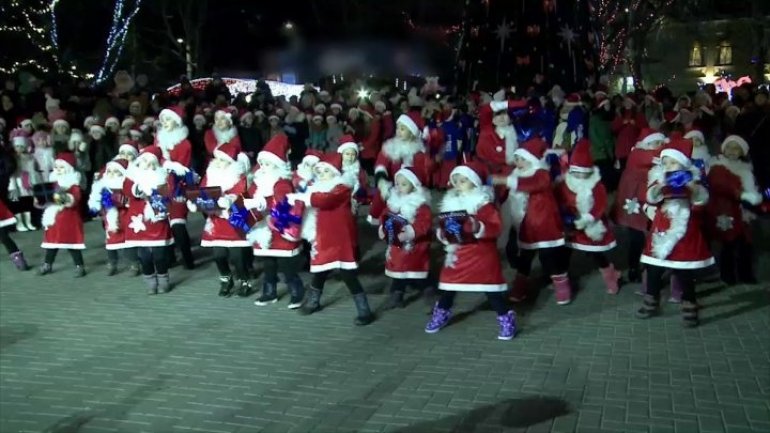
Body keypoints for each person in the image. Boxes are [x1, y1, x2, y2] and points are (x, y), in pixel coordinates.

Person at [427, 161, 516, 340]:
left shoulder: (483, 203)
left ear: (475, 183)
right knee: (449, 287)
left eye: (463, 180)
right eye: (456, 180)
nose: (458, 184)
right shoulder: (451, 202)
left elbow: (495, 226)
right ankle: (442, 312)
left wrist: (477, 226)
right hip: (458, 254)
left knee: (492, 290)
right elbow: (445, 226)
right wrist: (443, 234)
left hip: (480, 254)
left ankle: (506, 317)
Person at [288, 153, 375, 326]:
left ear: (334, 172)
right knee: (320, 270)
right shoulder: (316, 188)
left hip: (340, 237)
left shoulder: (342, 187)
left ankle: (364, 309)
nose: (321, 175)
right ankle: (314, 301)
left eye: (325, 171)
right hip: (323, 236)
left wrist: (304, 198)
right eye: (319, 172)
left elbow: (326, 201)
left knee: (347, 273)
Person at [636, 138, 714, 327]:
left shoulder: (693, 178)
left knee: (685, 271)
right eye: (665, 162)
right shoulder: (660, 177)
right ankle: (651, 300)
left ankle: (689, 305)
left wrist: (693, 189)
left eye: (673, 162)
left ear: (684, 163)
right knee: (654, 267)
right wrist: (659, 189)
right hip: (662, 227)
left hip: (685, 229)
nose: (669, 166)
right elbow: (650, 198)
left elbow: (701, 203)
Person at [494, 137, 571, 305]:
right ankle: (520, 286)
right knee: (526, 257)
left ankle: (561, 285)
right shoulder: (515, 174)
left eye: (523, 159)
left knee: (548, 256)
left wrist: (504, 180)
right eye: (517, 159)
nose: (519, 162)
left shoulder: (542, 173)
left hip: (543, 224)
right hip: (525, 225)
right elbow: (507, 195)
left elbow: (533, 184)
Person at [555, 138, 621, 294]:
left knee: (596, 253)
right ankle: (562, 282)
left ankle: (610, 275)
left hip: (590, 224)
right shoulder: (565, 183)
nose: (579, 177)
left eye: (583, 174)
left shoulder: (596, 185)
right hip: (570, 225)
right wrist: (565, 216)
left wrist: (588, 218)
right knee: (564, 253)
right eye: (576, 173)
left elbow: (600, 204)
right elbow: (560, 199)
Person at [246, 134, 305, 308]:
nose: (264, 167)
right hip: (263, 228)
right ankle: (269, 291)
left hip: (280, 229)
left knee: (286, 265)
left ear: (277, 165)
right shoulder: (258, 181)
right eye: (262, 163)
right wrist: (235, 203)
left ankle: (297, 291)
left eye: (268, 164)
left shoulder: (282, 182)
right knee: (268, 263)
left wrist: (264, 203)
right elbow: (248, 196)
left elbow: (284, 202)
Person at [190, 142, 253, 297]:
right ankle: (226, 279)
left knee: (237, 256)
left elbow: (241, 192)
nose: (218, 162)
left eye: (223, 160)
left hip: (234, 219)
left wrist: (229, 199)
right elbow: (202, 192)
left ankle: (244, 280)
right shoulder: (210, 174)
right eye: (217, 158)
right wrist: (195, 202)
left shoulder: (240, 177)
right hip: (216, 220)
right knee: (219, 255)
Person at [376, 156, 432, 309]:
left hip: (414, 246)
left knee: (417, 271)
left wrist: (410, 232)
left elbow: (424, 224)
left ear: (413, 185)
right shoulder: (394, 201)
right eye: (398, 184)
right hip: (396, 245)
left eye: (404, 184)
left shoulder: (420, 204)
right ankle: (396, 296)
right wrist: (383, 227)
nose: (399, 187)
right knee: (398, 271)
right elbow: (385, 215)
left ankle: (429, 295)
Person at [705, 135, 762, 285]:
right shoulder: (718, 166)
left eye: (736, 148)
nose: (732, 151)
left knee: (745, 243)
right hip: (725, 209)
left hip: (743, 211)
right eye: (729, 147)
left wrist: (753, 197)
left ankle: (746, 273)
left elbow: (752, 186)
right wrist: (742, 194)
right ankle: (727, 274)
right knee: (728, 243)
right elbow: (720, 185)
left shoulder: (746, 168)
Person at [613, 128, 666, 283]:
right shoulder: (637, 153)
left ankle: (647, 268)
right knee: (636, 237)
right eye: (656, 143)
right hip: (634, 202)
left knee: (649, 236)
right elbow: (656, 156)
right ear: (646, 143)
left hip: (647, 202)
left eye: (661, 143)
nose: (659, 146)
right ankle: (634, 267)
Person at [123, 145, 175, 294]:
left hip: (157, 219)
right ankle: (150, 282)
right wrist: (139, 190)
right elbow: (127, 189)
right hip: (138, 220)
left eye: (150, 161)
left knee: (159, 255)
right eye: (144, 161)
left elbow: (168, 194)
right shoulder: (132, 174)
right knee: (144, 255)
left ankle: (163, 280)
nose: (147, 164)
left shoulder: (163, 175)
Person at [369, 114, 429, 224]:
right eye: (397, 128)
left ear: (412, 132)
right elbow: (381, 164)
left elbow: (423, 172)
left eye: (403, 129)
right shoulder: (390, 146)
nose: (398, 131)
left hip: (411, 186)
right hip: (392, 183)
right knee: (386, 200)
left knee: (415, 205)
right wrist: (382, 180)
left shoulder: (419, 152)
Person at [155, 106, 195, 269]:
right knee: (163, 222)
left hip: (177, 186)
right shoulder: (158, 139)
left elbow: (182, 167)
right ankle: (170, 257)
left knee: (178, 225)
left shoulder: (184, 143)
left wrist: (167, 162)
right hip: (160, 184)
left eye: (168, 119)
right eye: (163, 119)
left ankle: (188, 259)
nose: (164, 123)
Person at [37, 152, 86, 277]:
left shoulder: (73, 183)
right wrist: (41, 199)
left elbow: (74, 199)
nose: (58, 170)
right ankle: (47, 264)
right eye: (57, 167)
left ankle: (80, 266)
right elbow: (46, 200)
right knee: (52, 244)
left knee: (72, 244)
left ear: (68, 168)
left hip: (69, 218)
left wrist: (60, 197)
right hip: (54, 219)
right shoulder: (52, 182)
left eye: (62, 167)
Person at [87, 158, 134, 276]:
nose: (112, 174)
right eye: (110, 171)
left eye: (116, 171)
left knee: (128, 242)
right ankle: (112, 263)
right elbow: (98, 202)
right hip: (110, 217)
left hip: (125, 216)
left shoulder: (126, 185)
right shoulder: (104, 187)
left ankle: (134, 263)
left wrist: (120, 201)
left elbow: (130, 201)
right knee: (111, 241)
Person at [337, 135, 369, 213]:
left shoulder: (358, 169)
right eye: (347, 154)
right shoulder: (337, 167)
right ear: (342, 154)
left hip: (354, 196)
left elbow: (363, 183)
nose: (350, 157)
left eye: (353, 154)